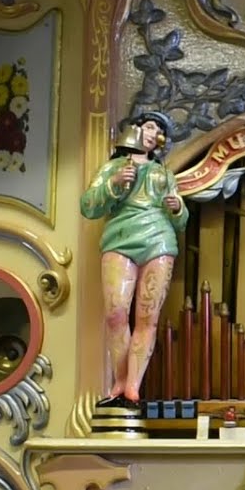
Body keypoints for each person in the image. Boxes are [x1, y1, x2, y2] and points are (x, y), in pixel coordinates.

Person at [80, 111, 188, 407]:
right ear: (136, 130)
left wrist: (177, 207)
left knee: (147, 318)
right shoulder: (114, 166)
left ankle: (132, 386)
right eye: (149, 127)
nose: (153, 134)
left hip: (158, 240)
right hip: (120, 239)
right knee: (116, 314)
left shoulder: (162, 173)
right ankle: (119, 379)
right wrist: (114, 183)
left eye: (158, 131)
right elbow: (89, 206)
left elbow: (181, 221)